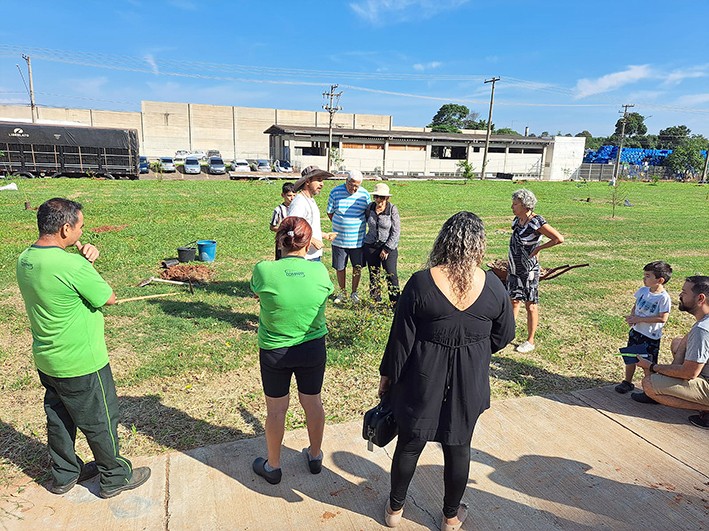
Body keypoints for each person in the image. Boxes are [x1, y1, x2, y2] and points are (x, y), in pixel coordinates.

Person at [378, 212, 515, 530]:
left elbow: (401, 340)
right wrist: (475, 350)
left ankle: (395, 511)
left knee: (410, 444)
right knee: (458, 447)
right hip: (469, 383)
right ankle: (451, 517)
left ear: (445, 241)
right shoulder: (493, 285)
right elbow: (504, 334)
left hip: (420, 381)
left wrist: (387, 378)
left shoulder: (421, 283)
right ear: (479, 245)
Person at [16, 198, 151, 498]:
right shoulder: (72, 264)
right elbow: (108, 297)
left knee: (59, 417)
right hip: (82, 361)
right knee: (100, 419)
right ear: (65, 229)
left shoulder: (25, 258)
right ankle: (115, 475)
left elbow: (59, 287)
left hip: (48, 359)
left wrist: (82, 262)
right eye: (80, 227)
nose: (81, 233)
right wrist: (86, 262)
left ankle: (64, 474)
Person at [250, 216, 335, 484]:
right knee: (313, 403)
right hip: (311, 349)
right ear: (308, 244)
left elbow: (257, 293)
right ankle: (315, 454)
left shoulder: (263, 270)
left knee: (276, 410)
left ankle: (273, 466)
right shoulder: (320, 272)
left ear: (279, 241)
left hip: (274, 351)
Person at [634, 276, 709, 428]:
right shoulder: (704, 319)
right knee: (677, 343)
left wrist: (652, 367)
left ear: (700, 298)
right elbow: (685, 341)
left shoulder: (703, 329)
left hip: (700, 376)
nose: (680, 296)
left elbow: (690, 373)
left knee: (649, 385)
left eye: (684, 292)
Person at [507, 188, 564, 353]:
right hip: (514, 268)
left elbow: (558, 239)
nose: (512, 207)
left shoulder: (536, 221)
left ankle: (530, 341)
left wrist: (539, 248)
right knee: (513, 300)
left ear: (525, 205)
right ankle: (508, 333)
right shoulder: (517, 220)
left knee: (530, 304)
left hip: (529, 270)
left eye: (515, 204)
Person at [615, 261, 672, 394]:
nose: (644, 278)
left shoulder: (663, 298)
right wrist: (632, 316)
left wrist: (639, 319)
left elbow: (663, 318)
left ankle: (649, 389)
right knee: (630, 357)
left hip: (650, 336)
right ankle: (627, 382)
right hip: (636, 332)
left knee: (647, 363)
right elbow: (636, 305)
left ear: (660, 280)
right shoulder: (643, 291)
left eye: (648, 276)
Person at [326, 169, 371, 303]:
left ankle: (354, 292)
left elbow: (368, 214)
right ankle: (342, 292)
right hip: (339, 239)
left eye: (357, 185)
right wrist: (341, 224)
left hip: (357, 240)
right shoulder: (335, 192)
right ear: (346, 181)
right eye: (352, 185)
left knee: (357, 267)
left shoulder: (364, 195)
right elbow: (330, 212)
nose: (354, 188)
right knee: (340, 267)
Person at [363, 182, 401, 306]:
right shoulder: (369, 208)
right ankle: (375, 300)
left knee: (391, 274)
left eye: (382, 197)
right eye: (377, 196)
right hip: (371, 246)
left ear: (387, 198)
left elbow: (396, 231)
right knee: (374, 274)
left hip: (387, 247)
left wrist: (387, 248)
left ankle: (395, 302)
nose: (379, 200)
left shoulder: (392, 209)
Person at [288, 165, 337, 261]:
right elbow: (291, 230)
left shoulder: (310, 200)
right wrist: (312, 240)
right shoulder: (299, 202)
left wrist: (324, 235)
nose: (322, 184)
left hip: (313, 255)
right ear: (307, 181)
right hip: (304, 257)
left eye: (322, 180)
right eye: (318, 180)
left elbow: (308, 227)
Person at [270, 181, 296, 259]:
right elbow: (272, 227)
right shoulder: (278, 210)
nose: (292, 198)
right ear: (283, 195)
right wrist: (283, 229)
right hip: (282, 241)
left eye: (294, 195)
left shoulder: (298, 208)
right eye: (289, 195)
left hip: (295, 241)